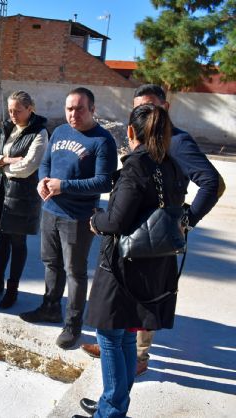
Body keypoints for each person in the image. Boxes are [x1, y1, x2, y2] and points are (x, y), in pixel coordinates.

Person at [80, 84, 226, 376]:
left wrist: (185, 221)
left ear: (165, 108)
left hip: (152, 241)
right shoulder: (148, 147)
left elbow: (213, 183)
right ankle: (120, 350)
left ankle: (138, 358)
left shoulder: (178, 142)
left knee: (142, 304)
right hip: (135, 236)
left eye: (149, 107)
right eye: (137, 109)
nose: (144, 114)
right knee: (125, 312)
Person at [75, 104, 186, 418]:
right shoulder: (173, 167)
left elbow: (117, 220)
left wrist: (97, 220)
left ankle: (110, 411)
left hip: (124, 266)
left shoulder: (136, 166)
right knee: (123, 334)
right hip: (154, 264)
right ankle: (115, 405)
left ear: (131, 132)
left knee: (110, 335)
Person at [19, 87, 117, 349]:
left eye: (80, 109)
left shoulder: (102, 140)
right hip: (51, 212)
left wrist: (64, 186)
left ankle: (73, 325)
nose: (73, 114)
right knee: (51, 264)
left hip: (78, 217)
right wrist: (42, 181)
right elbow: (46, 163)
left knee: (75, 271)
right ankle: (50, 307)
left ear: (92, 109)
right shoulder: (60, 131)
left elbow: (104, 182)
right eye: (69, 109)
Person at [0, 90, 49, 308]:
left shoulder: (39, 133)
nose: (13, 114)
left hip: (22, 197)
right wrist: (6, 159)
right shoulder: (4, 128)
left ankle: (12, 289)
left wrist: (0, 165)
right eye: (10, 110)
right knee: (1, 240)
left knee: (18, 243)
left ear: (30, 108)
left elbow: (28, 166)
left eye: (18, 110)